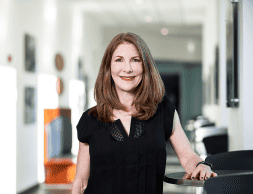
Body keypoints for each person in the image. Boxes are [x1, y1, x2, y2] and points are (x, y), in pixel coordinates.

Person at [71, 32, 217, 194]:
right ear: (108, 67)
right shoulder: (90, 119)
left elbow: (187, 157)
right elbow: (81, 181)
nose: (127, 68)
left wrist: (201, 165)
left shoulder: (163, 110)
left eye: (135, 60)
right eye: (119, 60)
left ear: (145, 66)